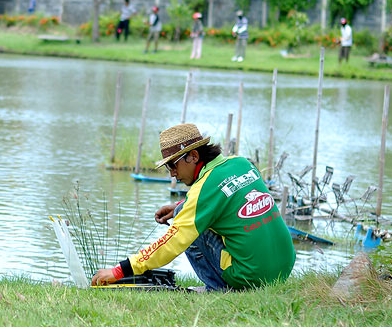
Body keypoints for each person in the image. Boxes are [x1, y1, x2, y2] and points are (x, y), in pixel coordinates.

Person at [91, 123, 295, 291]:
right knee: (185, 213)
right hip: (284, 268)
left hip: (251, 276)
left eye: (173, 165)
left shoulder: (202, 191)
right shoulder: (242, 163)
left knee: (186, 226)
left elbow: (171, 243)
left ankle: (219, 289)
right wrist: (182, 205)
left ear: (194, 157)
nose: (172, 173)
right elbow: (228, 197)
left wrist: (120, 270)